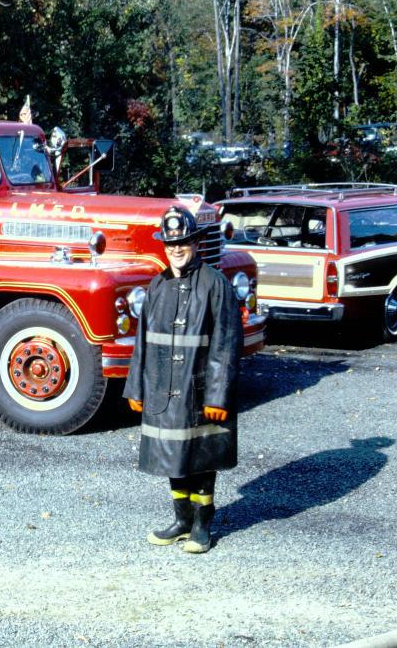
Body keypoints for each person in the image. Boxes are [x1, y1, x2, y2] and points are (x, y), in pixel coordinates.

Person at [123, 206, 242, 553]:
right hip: (163, 390)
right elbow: (142, 340)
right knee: (171, 453)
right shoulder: (157, 285)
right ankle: (181, 521)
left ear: (196, 242)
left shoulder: (215, 284)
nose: (177, 249)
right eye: (171, 243)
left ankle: (203, 525)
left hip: (200, 389)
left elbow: (226, 343)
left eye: (183, 242)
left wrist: (218, 396)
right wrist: (136, 386)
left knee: (201, 455)